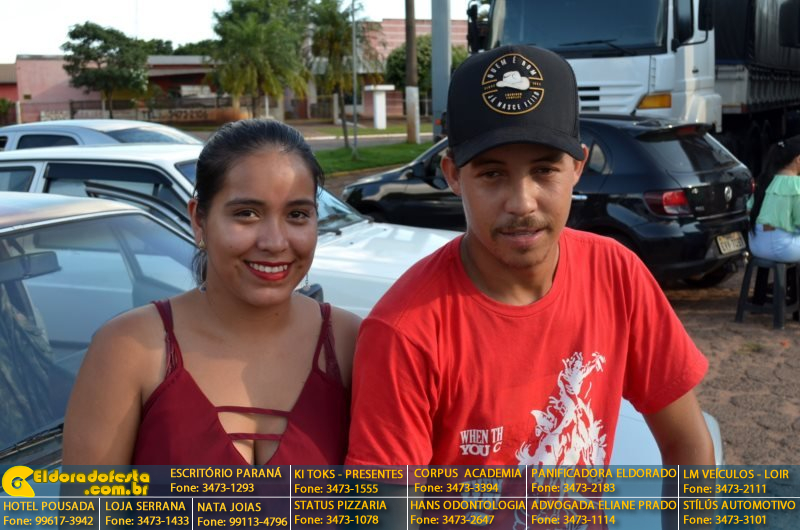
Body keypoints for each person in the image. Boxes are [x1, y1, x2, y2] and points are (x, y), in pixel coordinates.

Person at [346, 45, 715, 469]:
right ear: (453, 176)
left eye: (544, 170)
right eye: (492, 174)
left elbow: (689, 446)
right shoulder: (404, 334)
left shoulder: (617, 274)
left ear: (577, 168)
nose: (522, 203)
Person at [63, 119, 360, 465]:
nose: (275, 242)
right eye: (246, 214)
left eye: (297, 214)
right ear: (199, 220)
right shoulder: (129, 349)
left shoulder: (352, 344)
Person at [748, 136, 800, 263]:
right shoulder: (796, 184)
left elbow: (748, 210)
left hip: (756, 246)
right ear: (798, 159)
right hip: (783, 248)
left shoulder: (765, 180)